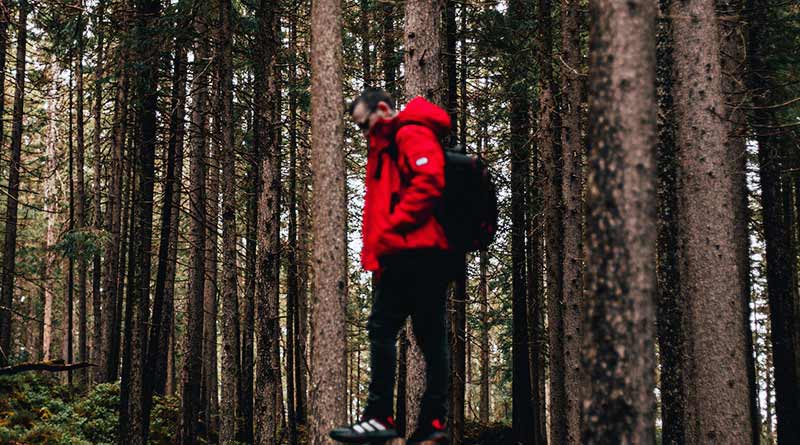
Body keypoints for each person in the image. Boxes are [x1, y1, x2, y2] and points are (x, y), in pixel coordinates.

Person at [329, 89, 453, 444]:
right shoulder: (385, 146)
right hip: (409, 253)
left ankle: (380, 416)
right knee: (430, 334)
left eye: (365, 124)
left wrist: (392, 229)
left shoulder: (409, 132)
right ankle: (432, 424)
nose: (365, 132)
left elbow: (429, 182)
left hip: (413, 251)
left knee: (383, 327)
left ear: (382, 109)